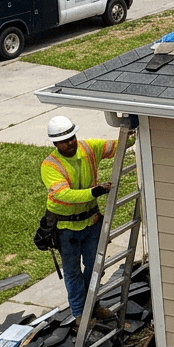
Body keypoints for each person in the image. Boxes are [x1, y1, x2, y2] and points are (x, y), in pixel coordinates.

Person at [41, 116, 122, 322]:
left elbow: (119, 145)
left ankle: (92, 305)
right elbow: (63, 195)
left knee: (96, 266)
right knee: (73, 272)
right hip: (65, 228)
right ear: (54, 143)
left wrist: (133, 127)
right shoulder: (50, 165)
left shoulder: (88, 148)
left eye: (72, 137)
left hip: (91, 222)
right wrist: (95, 192)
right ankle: (79, 313)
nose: (69, 143)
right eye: (63, 141)